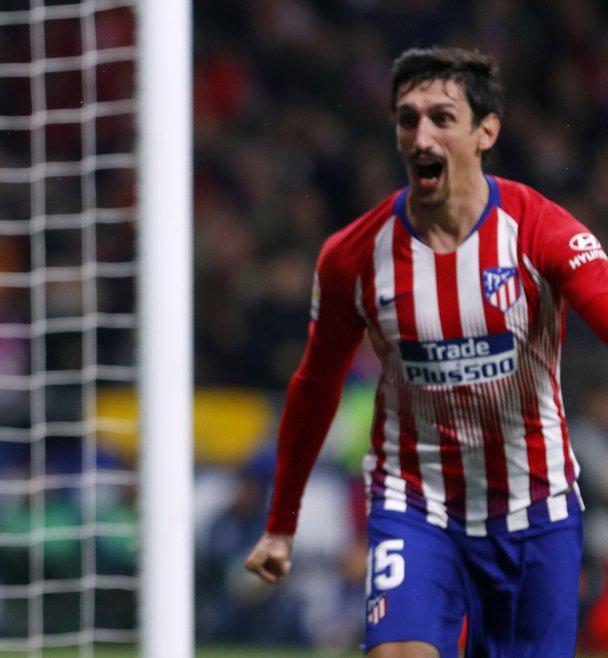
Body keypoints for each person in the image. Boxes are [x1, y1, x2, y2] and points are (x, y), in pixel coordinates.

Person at [244, 46, 608, 658]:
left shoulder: (542, 230)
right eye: (407, 118)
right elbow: (315, 386)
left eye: (441, 117)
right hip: (417, 503)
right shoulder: (353, 256)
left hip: (535, 508)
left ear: (485, 131)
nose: (420, 134)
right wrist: (281, 524)